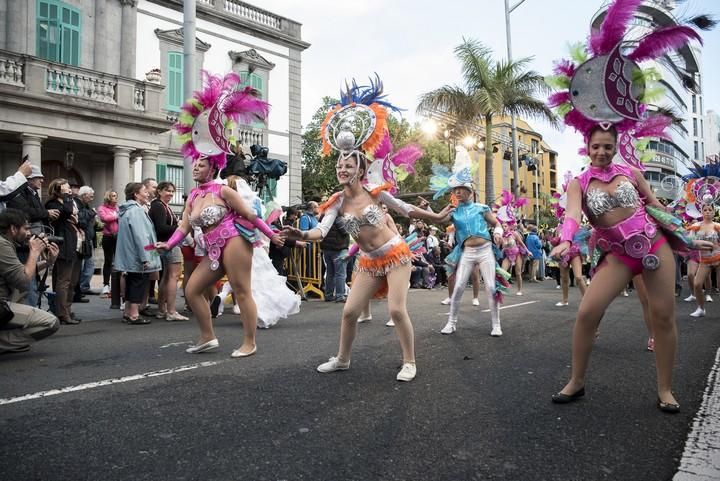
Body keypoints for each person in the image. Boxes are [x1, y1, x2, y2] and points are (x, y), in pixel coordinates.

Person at [550, 126, 708, 412]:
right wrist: (566, 240)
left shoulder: (632, 173)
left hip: (653, 244)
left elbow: (656, 206)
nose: (602, 152)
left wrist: (686, 237)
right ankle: (576, 381)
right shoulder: (579, 183)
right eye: (596, 146)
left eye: (608, 147)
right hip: (618, 255)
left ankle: (665, 389)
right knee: (587, 312)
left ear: (615, 146)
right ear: (587, 145)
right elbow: (572, 215)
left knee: (662, 315)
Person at [156, 158, 284, 355]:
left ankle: (250, 343)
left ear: (213, 168)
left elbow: (250, 215)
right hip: (212, 248)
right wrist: (168, 244)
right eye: (195, 164)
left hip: (234, 240)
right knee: (192, 290)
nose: (196, 167)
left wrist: (272, 235)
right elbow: (184, 227)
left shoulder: (223, 190)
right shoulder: (193, 196)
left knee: (242, 291)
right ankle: (208, 337)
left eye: (202, 165)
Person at [430, 170, 505, 336]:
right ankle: (451, 323)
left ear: (470, 191)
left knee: (491, 287)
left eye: (461, 188)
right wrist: (439, 211)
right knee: (458, 288)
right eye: (455, 189)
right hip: (467, 252)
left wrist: (498, 232)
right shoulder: (453, 212)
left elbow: (496, 223)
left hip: (485, 251)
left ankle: (496, 325)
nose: (457, 191)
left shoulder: (481, 208)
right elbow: (438, 219)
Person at [0, 209, 60, 354]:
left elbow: (21, 271)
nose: (29, 233)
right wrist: (34, 252)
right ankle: (4, 343)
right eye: (26, 228)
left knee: (21, 292)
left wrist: (47, 262)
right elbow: (23, 280)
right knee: (51, 323)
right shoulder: (2, 245)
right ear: (13, 228)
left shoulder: (5, 242)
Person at [6, 165, 58, 306]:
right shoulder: (18, 193)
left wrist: (47, 261)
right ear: (28, 179)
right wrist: (46, 213)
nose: (42, 181)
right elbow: (26, 212)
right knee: (27, 283)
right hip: (22, 246)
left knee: (31, 279)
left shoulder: (32, 194)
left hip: (28, 245)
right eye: (38, 178)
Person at [114, 182, 161, 324]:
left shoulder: (127, 210)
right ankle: (134, 314)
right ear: (136, 194)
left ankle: (128, 312)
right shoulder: (136, 211)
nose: (147, 194)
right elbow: (141, 236)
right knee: (138, 283)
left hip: (130, 254)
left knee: (131, 282)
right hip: (137, 254)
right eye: (144, 191)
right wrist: (145, 257)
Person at [45, 178, 83, 324]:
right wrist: (67, 198)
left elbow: (82, 218)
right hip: (63, 244)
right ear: (57, 189)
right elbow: (67, 212)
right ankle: (61, 313)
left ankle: (67, 309)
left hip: (74, 244)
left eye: (69, 188)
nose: (69, 190)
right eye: (66, 188)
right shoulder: (52, 203)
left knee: (72, 281)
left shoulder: (69, 202)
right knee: (63, 280)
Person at [149, 181, 188, 321]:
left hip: (164, 243)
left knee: (166, 277)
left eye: (172, 191)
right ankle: (171, 311)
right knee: (173, 277)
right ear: (159, 191)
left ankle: (162, 309)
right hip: (169, 244)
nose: (171, 193)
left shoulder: (159, 206)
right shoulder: (159, 206)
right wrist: (179, 227)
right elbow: (161, 228)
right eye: (167, 191)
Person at [686, 204, 720, 317]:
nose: (707, 212)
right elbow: (689, 242)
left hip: (718, 259)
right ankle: (701, 308)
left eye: (710, 210)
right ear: (701, 212)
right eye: (705, 210)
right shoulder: (696, 226)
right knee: (697, 284)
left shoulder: (717, 226)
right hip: (704, 260)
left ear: (714, 212)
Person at [75, 186, 98, 295]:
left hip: (88, 238)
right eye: (90, 196)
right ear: (84, 195)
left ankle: (83, 287)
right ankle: (80, 288)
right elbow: (81, 220)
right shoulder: (78, 204)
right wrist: (92, 213)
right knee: (83, 265)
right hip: (82, 239)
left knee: (89, 265)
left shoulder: (85, 205)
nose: (92, 198)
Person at [97, 191, 119, 297]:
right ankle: (106, 284)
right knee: (108, 260)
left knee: (118, 260)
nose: (115, 198)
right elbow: (104, 219)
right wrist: (117, 216)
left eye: (116, 196)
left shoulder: (117, 208)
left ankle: (117, 285)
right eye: (113, 196)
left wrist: (117, 216)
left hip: (118, 237)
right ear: (108, 197)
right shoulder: (102, 208)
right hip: (108, 237)